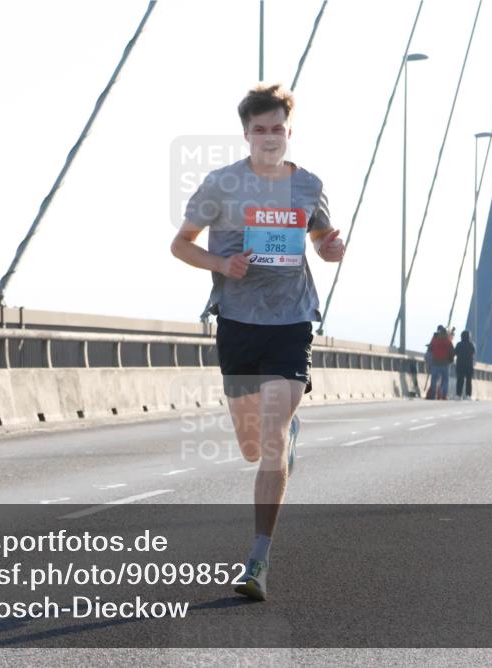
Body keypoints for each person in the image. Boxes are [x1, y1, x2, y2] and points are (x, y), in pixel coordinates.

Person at [170, 83, 345, 601]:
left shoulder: (309, 186)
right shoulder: (221, 185)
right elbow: (180, 244)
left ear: (290, 132)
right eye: (260, 130)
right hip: (239, 323)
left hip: (292, 322)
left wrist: (334, 248)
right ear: (246, 133)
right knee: (252, 446)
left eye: (278, 129)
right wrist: (223, 264)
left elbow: (324, 244)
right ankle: (281, 434)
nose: (270, 138)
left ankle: (257, 560)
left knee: (271, 437)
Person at [428, 326, 454, 400]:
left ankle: (433, 395)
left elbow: (430, 349)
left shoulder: (435, 340)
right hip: (445, 364)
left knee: (434, 380)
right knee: (445, 380)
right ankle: (444, 395)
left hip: (435, 363)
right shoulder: (448, 342)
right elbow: (452, 352)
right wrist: (450, 360)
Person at [454, 330, 476, 399]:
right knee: (469, 381)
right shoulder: (471, 344)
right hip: (469, 365)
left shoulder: (459, 344)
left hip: (460, 365)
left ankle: (458, 395)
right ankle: (468, 395)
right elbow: (473, 352)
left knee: (460, 380)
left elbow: (455, 352)